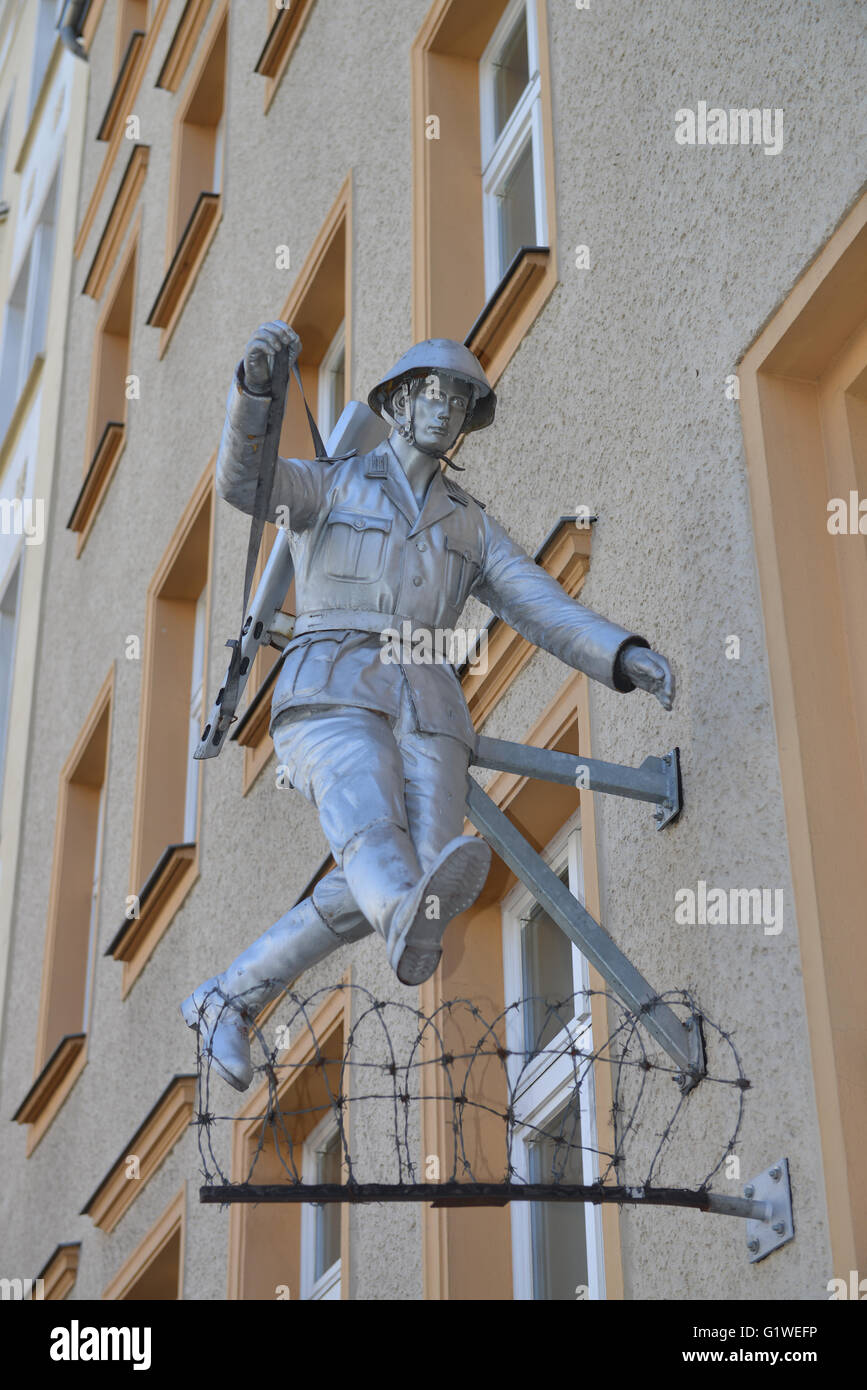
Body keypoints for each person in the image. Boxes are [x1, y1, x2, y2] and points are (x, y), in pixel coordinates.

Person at [181, 322, 674, 1090]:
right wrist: (252, 389)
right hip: (335, 685)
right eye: (433, 393)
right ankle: (398, 919)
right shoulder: (330, 482)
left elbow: (537, 603)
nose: (445, 409)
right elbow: (244, 484)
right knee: (377, 839)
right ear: (401, 404)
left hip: (432, 710)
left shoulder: (468, 523)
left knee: (393, 878)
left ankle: (228, 998)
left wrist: (619, 654)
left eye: (460, 399)